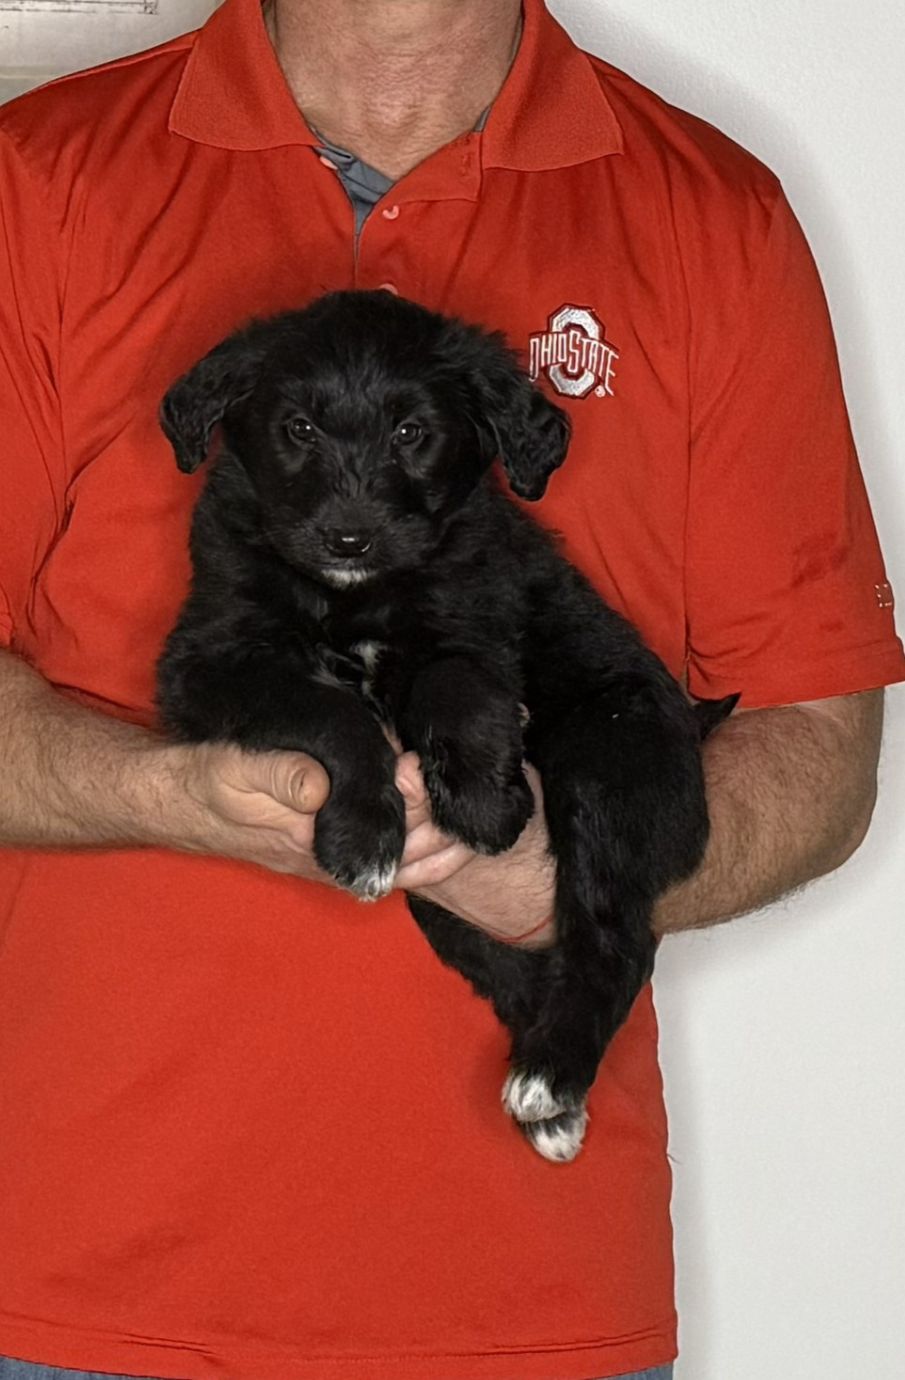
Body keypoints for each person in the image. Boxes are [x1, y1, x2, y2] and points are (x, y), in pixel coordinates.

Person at [0, 0, 901, 1377]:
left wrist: (563, 884)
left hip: (526, 1304)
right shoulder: (39, 176)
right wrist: (161, 794)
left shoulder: (710, 216)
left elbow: (818, 736)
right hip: (85, 1288)